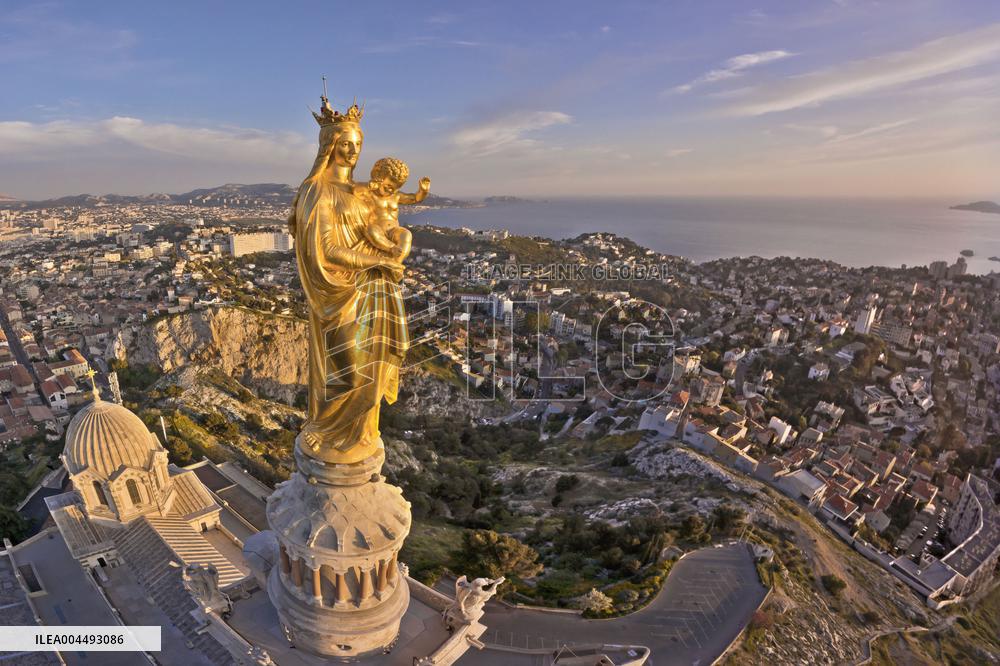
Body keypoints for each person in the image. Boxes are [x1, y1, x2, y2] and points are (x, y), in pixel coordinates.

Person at [353, 157, 430, 263]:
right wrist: (370, 185)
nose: (391, 190)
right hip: (377, 229)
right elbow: (355, 190)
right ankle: (391, 248)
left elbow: (415, 198)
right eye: (388, 186)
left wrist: (423, 191)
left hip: (394, 230)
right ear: (378, 178)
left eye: (396, 188)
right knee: (370, 231)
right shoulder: (370, 193)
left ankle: (397, 262)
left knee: (406, 234)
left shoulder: (396, 196)